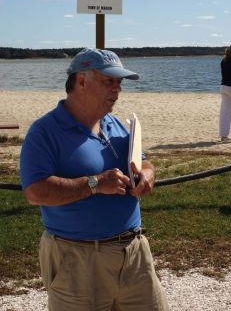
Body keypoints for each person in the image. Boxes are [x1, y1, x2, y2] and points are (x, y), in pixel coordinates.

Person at [20, 48, 169, 311]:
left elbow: (143, 161)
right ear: (81, 82)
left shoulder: (115, 123)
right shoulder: (44, 131)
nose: (117, 90)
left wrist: (147, 175)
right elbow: (35, 191)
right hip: (77, 260)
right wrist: (95, 184)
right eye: (108, 81)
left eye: (119, 83)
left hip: (134, 254)